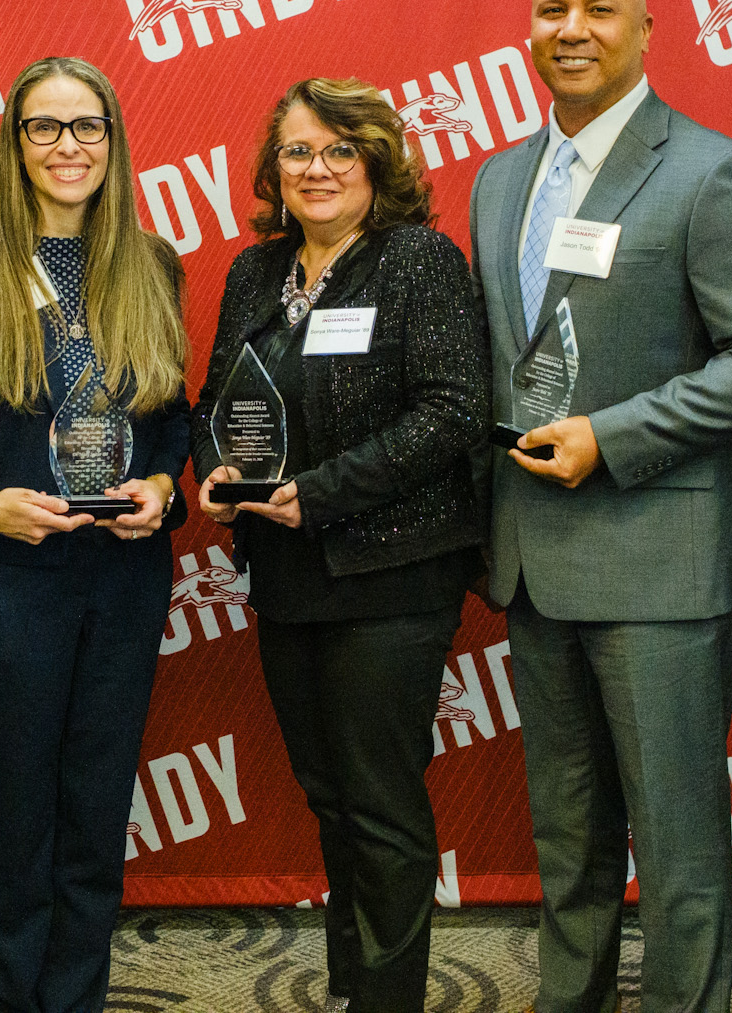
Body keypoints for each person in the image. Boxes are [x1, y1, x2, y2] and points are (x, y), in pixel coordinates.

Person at [467, 0, 732, 1013]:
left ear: (646, 31)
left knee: (675, 854)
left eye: (598, 11)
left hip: (659, 564)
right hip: (531, 562)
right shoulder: (497, 179)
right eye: (550, 9)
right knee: (564, 840)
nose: (569, 29)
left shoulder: (711, 171)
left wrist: (609, 435)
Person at [0, 56, 191, 1013]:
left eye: (87, 127)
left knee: (96, 804)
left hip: (123, 579)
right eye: (45, 128)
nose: (69, 147)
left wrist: (158, 482)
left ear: (113, 139)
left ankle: (76, 998)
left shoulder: (153, 266)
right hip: (7, 582)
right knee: (14, 809)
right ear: (15, 145)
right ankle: (3, 998)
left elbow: (176, 419)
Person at [191, 79, 489, 1013]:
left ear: (377, 163)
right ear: (272, 170)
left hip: (389, 578)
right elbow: (217, 402)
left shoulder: (417, 261)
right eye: (296, 153)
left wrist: (313, 495)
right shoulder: (255, 271)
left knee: (382, 806)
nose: (315, 170)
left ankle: (387, 999)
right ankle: (357, 988)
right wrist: (213, 472)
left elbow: (453, 414)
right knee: (329, 797)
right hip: (285, 577)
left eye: (337, 151)